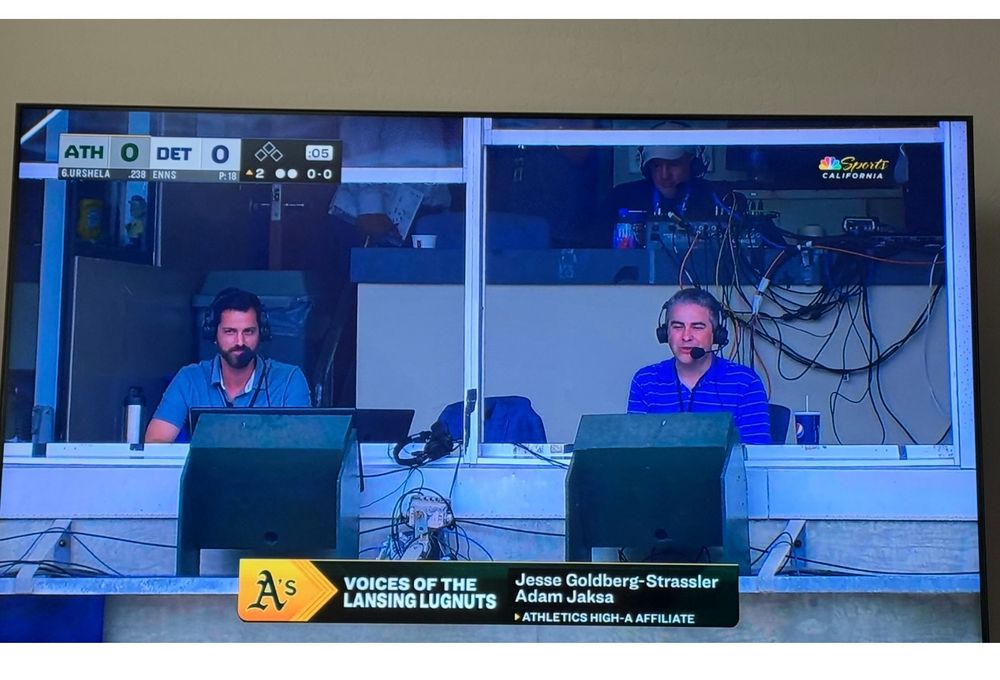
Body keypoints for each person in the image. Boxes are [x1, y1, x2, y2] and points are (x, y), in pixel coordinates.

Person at [144, 288, 312, 443]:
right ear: (213, 334)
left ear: (262, 333)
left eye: (248, 331)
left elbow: (302, 446)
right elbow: (155, 443)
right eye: (230, 332)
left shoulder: (289, 380)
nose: (240, 342)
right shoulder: (189, 379)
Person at [627, 287, 771, 444]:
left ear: (716, 334)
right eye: (677, 326)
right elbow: (634, 447)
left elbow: (755, 451)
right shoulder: (646, 381)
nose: (686, 337)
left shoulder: (745, 382)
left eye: (697, 327)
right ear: (665, 332)